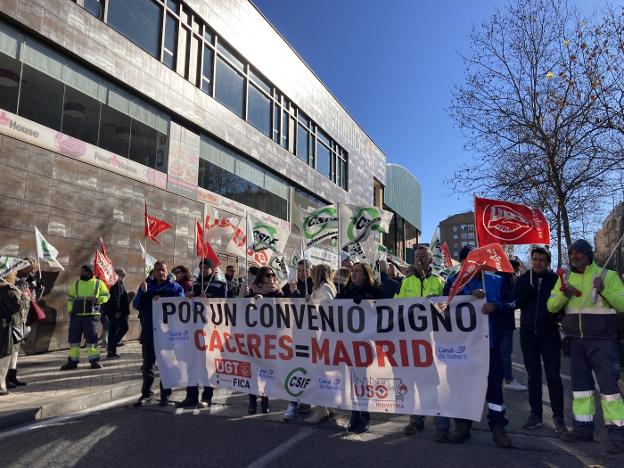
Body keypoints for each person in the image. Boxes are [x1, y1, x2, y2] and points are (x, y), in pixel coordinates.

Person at [547, 239, 624, 454]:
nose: (574, 256)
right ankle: (583, 429)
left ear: (588, 254)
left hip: (604, 342)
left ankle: (617, 436)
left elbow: (623, 304)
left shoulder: (607, 275)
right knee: (581, 390)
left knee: (610, 390)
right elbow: (551, 307)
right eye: (571, 253)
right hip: (576, 342)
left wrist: (604, 289)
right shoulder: (566, 278)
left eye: (578, 253)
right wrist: (564, 292)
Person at [438, 245, 515, 448]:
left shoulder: (497, 281)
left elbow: (511, 306)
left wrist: (494, 304)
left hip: (490, 347)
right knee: (461, 388)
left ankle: (498, 428)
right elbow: (443, 309)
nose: (470, 265)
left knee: (494, 390)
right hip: (463, 348)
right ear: (462, 264)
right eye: (466, 262)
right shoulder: (453, 283)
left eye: (474, 260)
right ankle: (462, 426)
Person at [512, 246, 565, 432]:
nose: (537, 262)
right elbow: (514, 301)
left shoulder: (555, 280)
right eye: (535, 259)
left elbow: (563, 306)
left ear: (548, 262)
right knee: (533, 377)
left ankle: (559, 417)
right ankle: (536, 415)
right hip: (528, 334)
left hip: (549, 333)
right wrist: (526, 295)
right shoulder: (524, 279)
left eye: (542, 260)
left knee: (553, 377)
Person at [395, 246, 446, 437]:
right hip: (412, 340)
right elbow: (397, 307)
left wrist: (437, 303)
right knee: (413, 380)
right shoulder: (406, 282)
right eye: (417, 257)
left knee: (434, 382)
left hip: (433, 340)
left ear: (431, 260)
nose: (419, 260)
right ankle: (416, 421)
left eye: (424, 257)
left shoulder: (439, 281)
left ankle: (440, 424)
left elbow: (446, 309)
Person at [336, 262, 386, 433]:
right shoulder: (345, 291)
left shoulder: (375, 291)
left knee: (362, 381)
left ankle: (364, 416)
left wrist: (365, 300)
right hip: (348, 343)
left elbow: (384, 309)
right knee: (351, 380)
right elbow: (333, 309)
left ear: (366, 274)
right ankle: (354, 414)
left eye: (358, 271)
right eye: (352, 271)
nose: (354, 274)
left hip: (366, 344)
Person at [133, 261, 184, 407]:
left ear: (167, 271)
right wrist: (142, 292)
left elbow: (182, 304)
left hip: (167, 333)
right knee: (148, 366)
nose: (160, 273)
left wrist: (164, 301)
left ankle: (165, 395)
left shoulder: (174, 287)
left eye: (163, 270)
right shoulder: (147, 286)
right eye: (157, 270)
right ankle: (146, 394)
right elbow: (136, 305)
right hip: (149, 332)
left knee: (166, 365)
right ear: (153, 272)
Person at [177, 259, 227, 409]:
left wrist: (209, 301)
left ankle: (207, 397)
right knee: (191, 364)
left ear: (212, 269)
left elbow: (224, 305)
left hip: (210, 330)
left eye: (207, 267)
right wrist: (188, 298)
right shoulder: (195, 285)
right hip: (193, 330)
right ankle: (191, 396)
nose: (204, 269)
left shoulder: (220, 285)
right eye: (201, 267)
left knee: (207, 366)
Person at [246, 266, 284, 414]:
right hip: (253, 334)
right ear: (261, 276)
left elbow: (283, 307)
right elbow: (241, 306)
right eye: (268, 275)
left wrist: (265, 300)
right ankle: (252, 402)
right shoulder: (252, 289)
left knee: (267, 370)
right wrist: (249, 297)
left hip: (270, 335)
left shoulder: (277, 290)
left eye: (273, 275)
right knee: (252, 369)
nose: (271, 277)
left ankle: (265, 401)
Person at [304, 264, 337, 424]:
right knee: (322, 372)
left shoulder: (324, 288)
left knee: (318, 371)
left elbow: (327, 310)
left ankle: (321, 409)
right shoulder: (323, 287)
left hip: (324, 335)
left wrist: (311, 303)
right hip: (321, 334)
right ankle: (327, 406)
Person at [61, 265, 110, 370]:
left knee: (92, 340)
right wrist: (70, 311)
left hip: (91, 316)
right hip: (76, 316)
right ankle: (72, 362)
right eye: (81, 271)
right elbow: (70, 298)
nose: (81, 273)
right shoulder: (77, 283)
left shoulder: (98, 283)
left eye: (83, 271)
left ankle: (94, 361)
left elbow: (106, 295)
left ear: (89, 272)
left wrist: (98, 299)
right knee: (74, 340)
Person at [0, 271, 30, 396]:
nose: (16, 276)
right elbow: (17, 306)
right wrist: (24, 298)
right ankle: (1, 386)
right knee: (4, 356)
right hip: (4, 325)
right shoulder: (7, 289)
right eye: (14, 274)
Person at [501, 259, 527, 392]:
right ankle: (509, 379)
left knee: (502, 352)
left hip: (503, 322)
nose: (516, 272)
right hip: (505, 322)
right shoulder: (505, 279)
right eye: (515, 270)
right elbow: (509, 299)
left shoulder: (503, 277)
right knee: (505, 352)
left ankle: (504, 378)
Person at [104, 268, 130, 359]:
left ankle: (111, 350)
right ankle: (112, 348)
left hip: (118, 312)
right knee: (121, 328)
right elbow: (116, 298)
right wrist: (118, 311)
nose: (123, 277)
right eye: (122, 275)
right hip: (118, 312)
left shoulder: (118, 283)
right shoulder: (117, 284)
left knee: (114, 331)